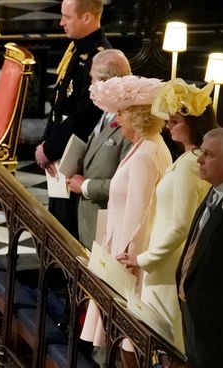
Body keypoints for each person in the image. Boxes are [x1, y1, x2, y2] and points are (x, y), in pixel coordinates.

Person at [118, 79, 216, 368]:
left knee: (170, 348)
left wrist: (145, 258)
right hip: (160, 265)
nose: (170, 125)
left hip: (166, 268)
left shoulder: (192, 166)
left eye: (175, 120)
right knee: (162, 343)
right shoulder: (188, 161)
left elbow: (180, 226)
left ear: (193, 121)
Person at [80, 75, 171, 368]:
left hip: (130, 255)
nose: (116, 121)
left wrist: (125, 259)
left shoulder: (148, 154)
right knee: (118, 329)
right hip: (117, 242)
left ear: (137, 117)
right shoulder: (142, 148)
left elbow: (140, 211)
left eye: (122, 114)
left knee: (127, 331)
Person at [175, 128, 223, 368]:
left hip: (219, 324)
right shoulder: (215, 191)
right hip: (194, 310)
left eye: (208, 155)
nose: (199, 160)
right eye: (200, 152)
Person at [37, 0, 111, 239]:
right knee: (55, 221)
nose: (61, 22)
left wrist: (50, 147)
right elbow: (59, 103)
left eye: (67, 17)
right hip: (60, 149)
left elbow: (85, 116)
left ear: (87, 17)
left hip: (75, 155)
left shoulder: (100, 58)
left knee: (66, 227)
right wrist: (47, 144)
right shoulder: (77, 48)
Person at [67, 49, 134, 248]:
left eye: (94, 80)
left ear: (108, 83)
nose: (90, 86)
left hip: (109, 224)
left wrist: (85, 186)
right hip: (89, 221)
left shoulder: (131, 124)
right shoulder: (105, 113)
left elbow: (128, 183)